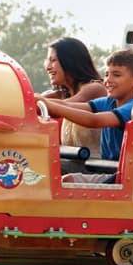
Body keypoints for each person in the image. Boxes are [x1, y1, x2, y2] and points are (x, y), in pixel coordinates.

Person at [37, 49, 133, 183]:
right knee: (46, 164)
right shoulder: (109, 102)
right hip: (104, 167)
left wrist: (51, 106)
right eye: (107, 74)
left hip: (121, 175)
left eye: (116, 75)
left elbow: (94, 120)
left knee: (68, 180)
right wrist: (40, 101)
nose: (108, 80)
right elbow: (69, 106)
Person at [41, 38, 106, 171]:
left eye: (53, 60)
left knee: (38, 167)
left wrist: (38, 102)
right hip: (73, 162)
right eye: (48, 60)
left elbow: (60, 107)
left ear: (70, 62)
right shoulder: (62, 93)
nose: (48, 67)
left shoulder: (95, 89)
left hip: (95, 166)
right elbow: (30, 104)